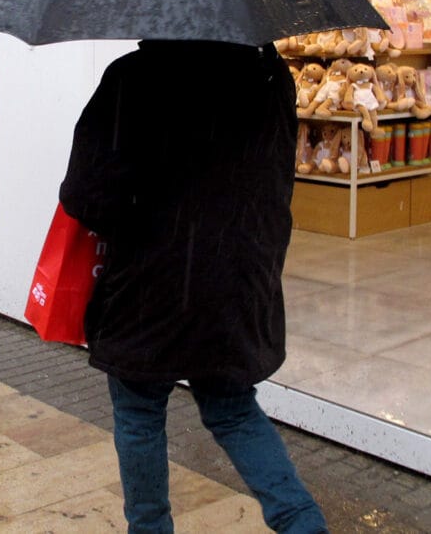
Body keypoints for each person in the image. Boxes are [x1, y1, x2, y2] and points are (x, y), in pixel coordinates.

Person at [59, 39, 327, 533]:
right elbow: (278, 181)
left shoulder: (134, 78)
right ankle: (303, 525)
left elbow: (85, 194)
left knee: (139, 411)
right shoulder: (269, 77)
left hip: (149, 283)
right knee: (233, 409)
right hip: (236, 281)